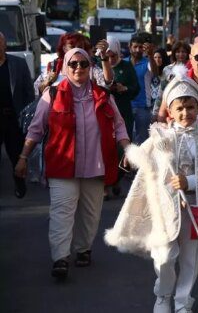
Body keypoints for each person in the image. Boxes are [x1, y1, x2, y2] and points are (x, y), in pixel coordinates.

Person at [105, 73, 198, 313]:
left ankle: (183, 301)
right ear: (170, 111)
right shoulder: (161, 138)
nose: (186, 113)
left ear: (197, 107)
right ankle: (163, 295)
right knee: (165, 256)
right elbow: (140, 159)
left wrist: (190, 181)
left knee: (190, 259)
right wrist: (135, 157)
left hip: (197, 207)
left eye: (191, 107)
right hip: (166, 208)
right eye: (180, 108)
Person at [15, 48, 130, 280]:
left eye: (84, 64)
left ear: (90, 67)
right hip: (62, 165)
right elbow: (36, 128)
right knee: (61, 212)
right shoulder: (53, 94)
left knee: (90, 213)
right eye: (74, 64)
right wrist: (23, 157)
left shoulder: (104, 95)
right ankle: (60, 258)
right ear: (65, 67)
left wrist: (128, 149)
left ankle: (83, 249)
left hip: (96, 166)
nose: (79, 68)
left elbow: (119, 125)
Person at [0, 31, 34, 198]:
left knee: (16, 155)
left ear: (5, 45)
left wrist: (27, 115)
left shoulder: (18, 64)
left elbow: (29, 91)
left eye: (0, 42)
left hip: (13, 118)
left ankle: (19, 183)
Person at [35, 33, 109, 94]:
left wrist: (104, 56)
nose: (76, 50)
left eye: (80, 47)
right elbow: (36, 90)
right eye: (72, 47)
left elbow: (106, 83)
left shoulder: (89, 66)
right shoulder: (53, 66)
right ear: (64, 49)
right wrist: (47, 81)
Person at [101, 38, 140, 143]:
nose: (110, 59)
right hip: (105, 111)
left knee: (124, 142)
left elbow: (136, 88)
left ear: (118, 52)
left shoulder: (126, 66)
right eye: (107, 56)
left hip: (123, 111)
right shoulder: (100, 65)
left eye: (113, 56)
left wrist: (124, 88)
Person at [128, 34, 156, 144]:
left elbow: (155, 72)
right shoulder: (124, 62)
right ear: (130, 47)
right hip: (126, 107)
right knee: (127, 138)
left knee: (143, 142)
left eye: (140, 47)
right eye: (135, 47)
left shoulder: (147, 62)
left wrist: (151, 55)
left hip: (143, 108)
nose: (138, 50)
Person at [149, 48, 170, 116]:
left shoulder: (168, 72)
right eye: (155, 57)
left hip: (163, 106)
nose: (157, 60)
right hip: (149, 106)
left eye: (160, 57)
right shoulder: (148, 72)